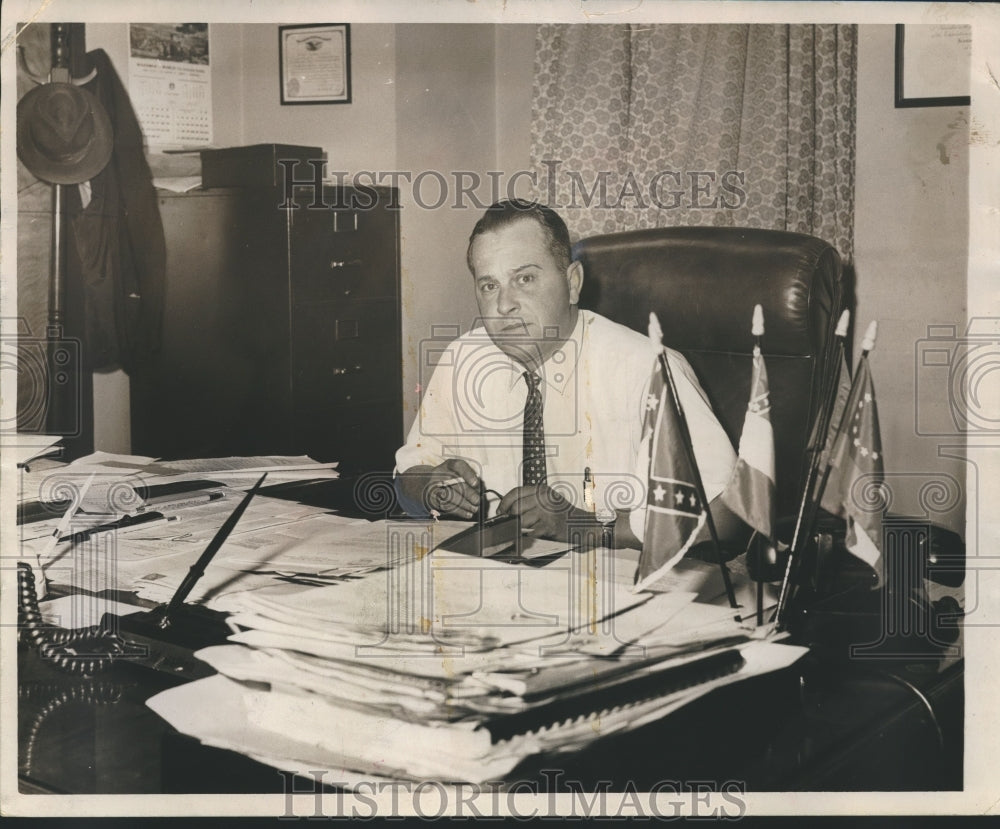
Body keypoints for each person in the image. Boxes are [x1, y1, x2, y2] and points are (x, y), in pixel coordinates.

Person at [394, 200, 738, 549]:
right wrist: (430, 487)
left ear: (572, 282)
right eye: (489, 286)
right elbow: (409, 475)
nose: (503, 305)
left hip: (619, 585)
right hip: (501, 579)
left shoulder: (647, 369)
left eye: (524, 278)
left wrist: (585, 525)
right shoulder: (463, 360)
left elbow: (727, 515)